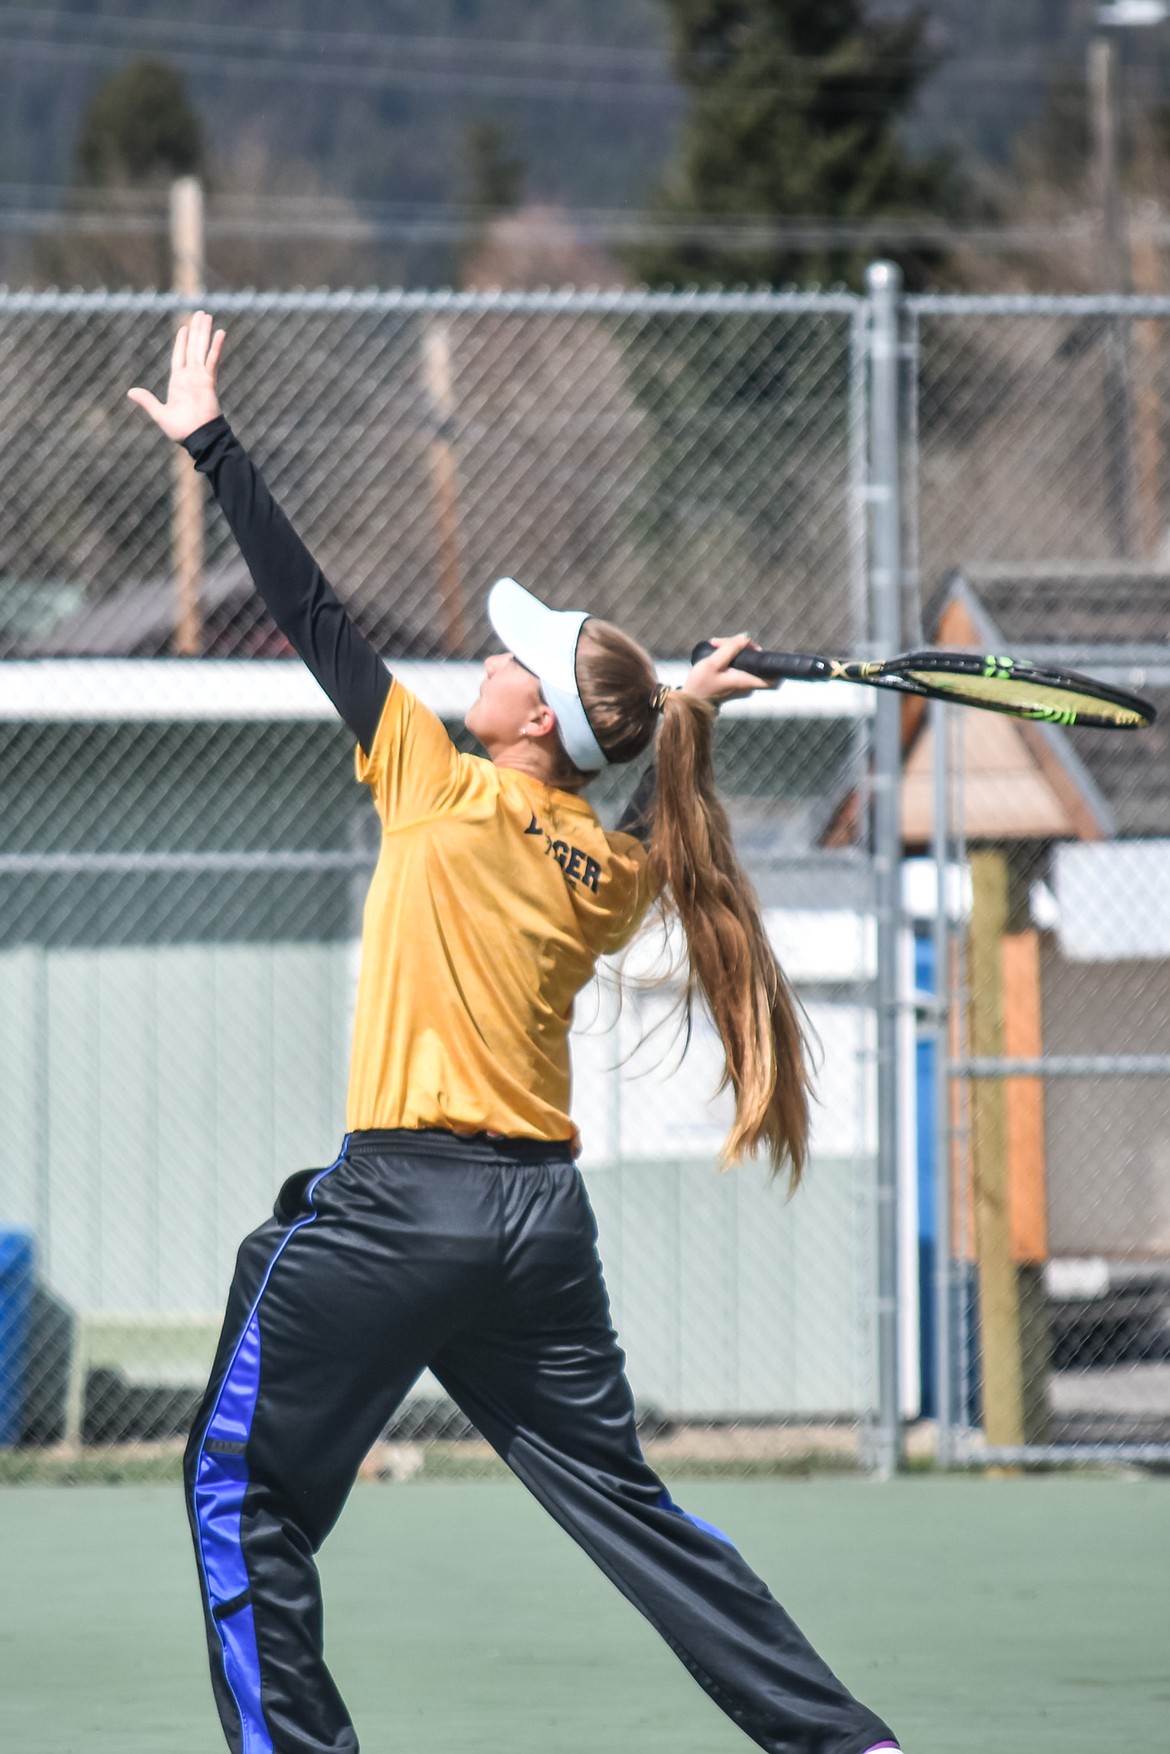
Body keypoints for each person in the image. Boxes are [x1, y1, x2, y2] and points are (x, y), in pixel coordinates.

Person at [128, 311, 901, 1754]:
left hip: (406, 1206)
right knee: (629, 1510)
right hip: (536, 1229)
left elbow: (313, 611)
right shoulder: (606, 874)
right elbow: (652, 805)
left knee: (238, 1492)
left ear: (533, 722)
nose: (484, 658)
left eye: (511, 658)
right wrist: (688, 708)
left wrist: (213, 450)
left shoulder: (435, 779)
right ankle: (844, 1742)